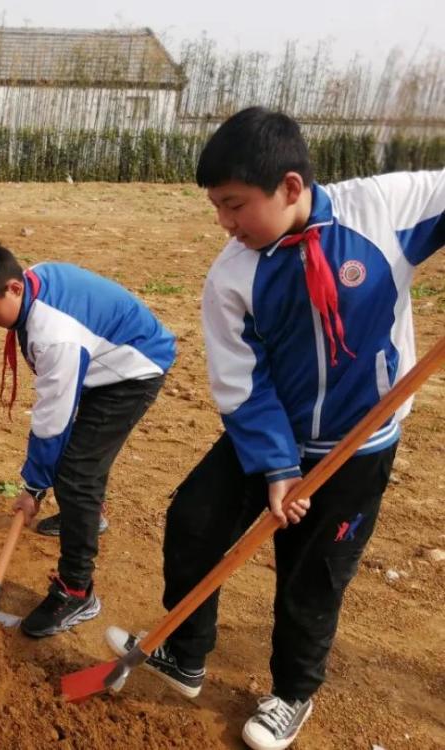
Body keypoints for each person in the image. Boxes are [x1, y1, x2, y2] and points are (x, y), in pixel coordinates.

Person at [105, 107, 444, 750]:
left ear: (290, 187)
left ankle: (292, 693)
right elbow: (241, 384)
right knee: (195, 522)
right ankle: (187, 654)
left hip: (358, 446)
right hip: (272, 435)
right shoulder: (233, 275)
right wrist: (278, 469)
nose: (225, 223)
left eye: (235, 205)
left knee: (311, 574)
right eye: (218, 207)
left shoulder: (379, 211)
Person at [0, 239, 176, 637]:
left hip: (134, 369)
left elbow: (52, 422)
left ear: (14, 288)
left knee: (76, 474)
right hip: (104, 355)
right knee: (82, 459)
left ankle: (77, 591)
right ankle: (91, 515)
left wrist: (34, 487)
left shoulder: (55, 335)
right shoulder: (32, 281)